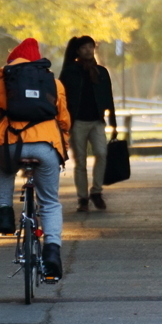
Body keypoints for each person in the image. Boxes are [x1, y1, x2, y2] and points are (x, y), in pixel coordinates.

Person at [0, 38, 71, 280]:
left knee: (3, 167)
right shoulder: (54, 82)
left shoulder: (3, 82)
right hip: (46, 146)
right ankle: (52, 251)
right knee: (50, 202)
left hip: (14, 146)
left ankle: (5, 213)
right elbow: (64, 120)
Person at [59, 35, 117, 213]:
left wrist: (114, 123)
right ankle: (83, 198)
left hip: (97, 121)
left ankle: (97, 191)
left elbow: (109, 97)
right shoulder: (70, 72)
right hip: (77, 122)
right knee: (80, 161)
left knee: (102, 153)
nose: (88, 50)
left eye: (91, 47)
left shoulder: (101, 71)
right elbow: (61, 96)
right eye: (84, 47)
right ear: (78, 51)